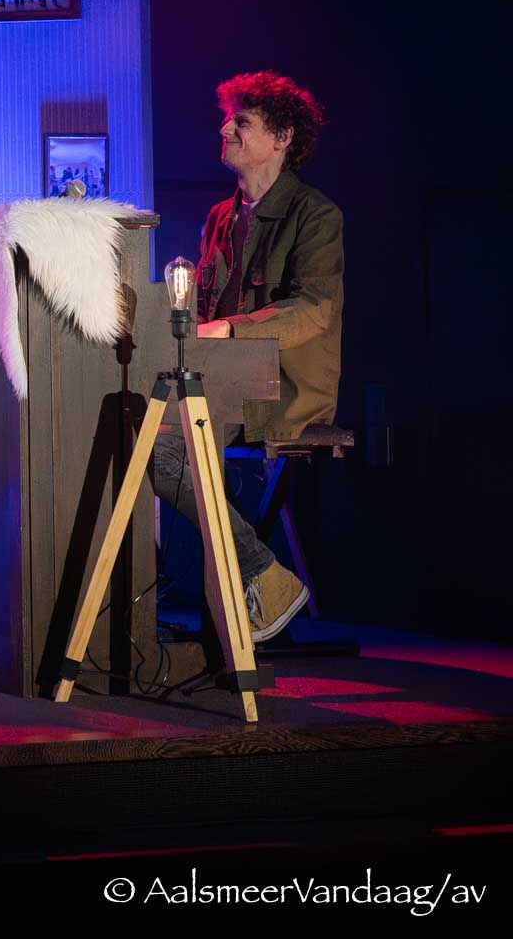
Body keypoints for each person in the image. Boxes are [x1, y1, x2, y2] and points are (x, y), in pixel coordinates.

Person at [151, 70, 342, 643]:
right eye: (229, 118)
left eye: (242, 121)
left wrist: (226, 331)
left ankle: (262, 575)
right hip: (221, 383)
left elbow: (315, 309)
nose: (225, 128)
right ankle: (253, 578)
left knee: (158, 451)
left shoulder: (316, 214)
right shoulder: (220, 215)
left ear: (282, 137)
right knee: (136, 435)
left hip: (278, 386)